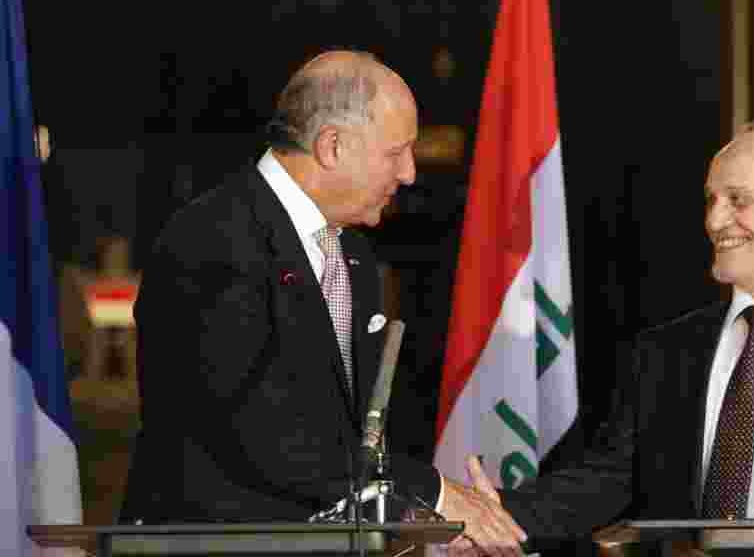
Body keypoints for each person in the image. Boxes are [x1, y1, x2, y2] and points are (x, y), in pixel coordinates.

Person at [447, 119, 754, 553]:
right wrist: (500, 514)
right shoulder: (662, 352)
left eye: (738, 201)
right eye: (712, 200)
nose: (714, 220)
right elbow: (607, 481)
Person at [119, 51, 525, 550]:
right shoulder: (211, 240)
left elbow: (355, 441)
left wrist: (423, 519)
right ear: (332, 146)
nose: (410, 173)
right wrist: (435, 496)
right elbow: (259, 438)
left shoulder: (352, 253)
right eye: (396, 151)